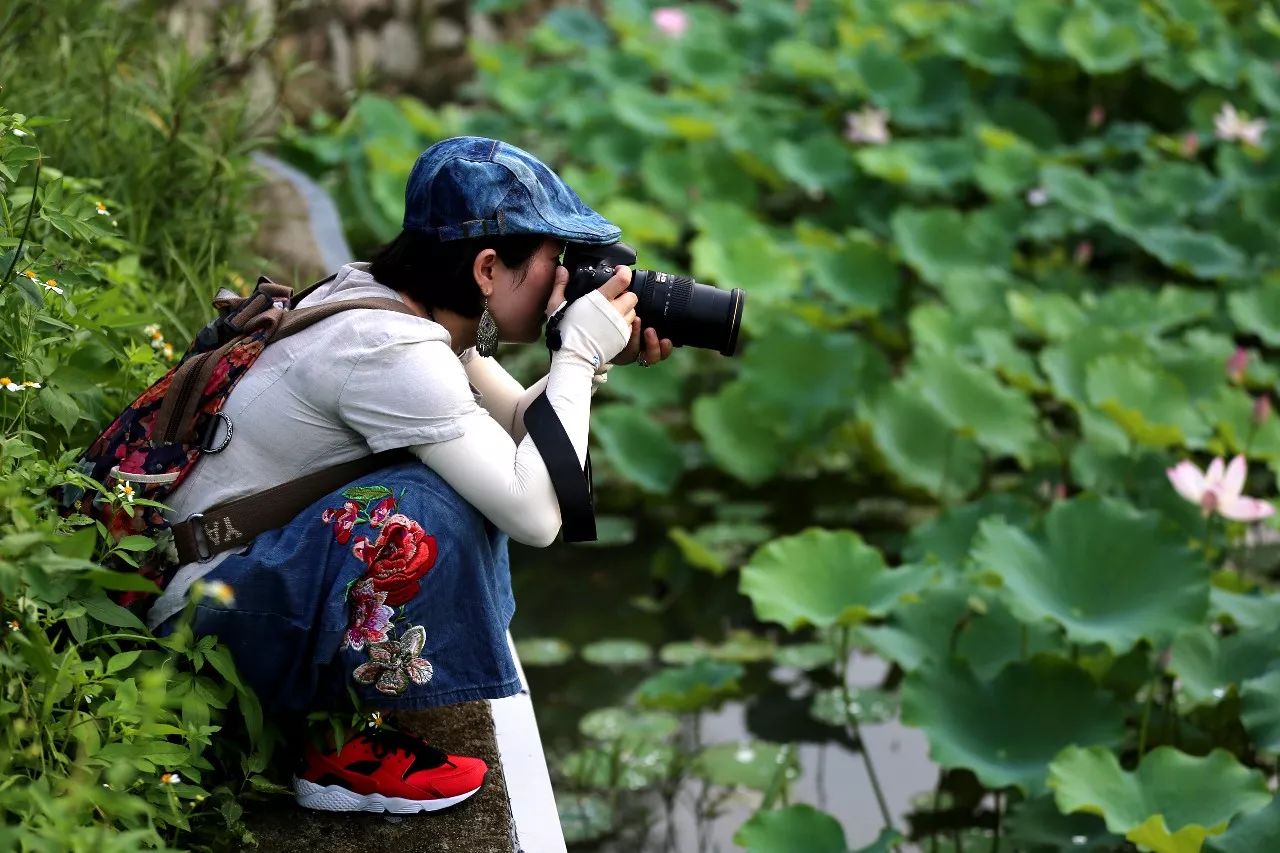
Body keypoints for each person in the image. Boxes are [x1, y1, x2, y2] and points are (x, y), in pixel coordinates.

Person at [149, 136, 674, 813]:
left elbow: (517, 424)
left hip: (212, 578)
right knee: (429, 508)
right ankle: (333, 753)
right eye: (554, 258)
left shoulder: (390, 300)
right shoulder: (391, 350)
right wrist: (574, 353)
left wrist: (591, 363)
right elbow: (539, 514)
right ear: (488, 267)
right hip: (201, 629)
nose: (567, 279)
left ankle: (333, 703)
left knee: (461, 477)